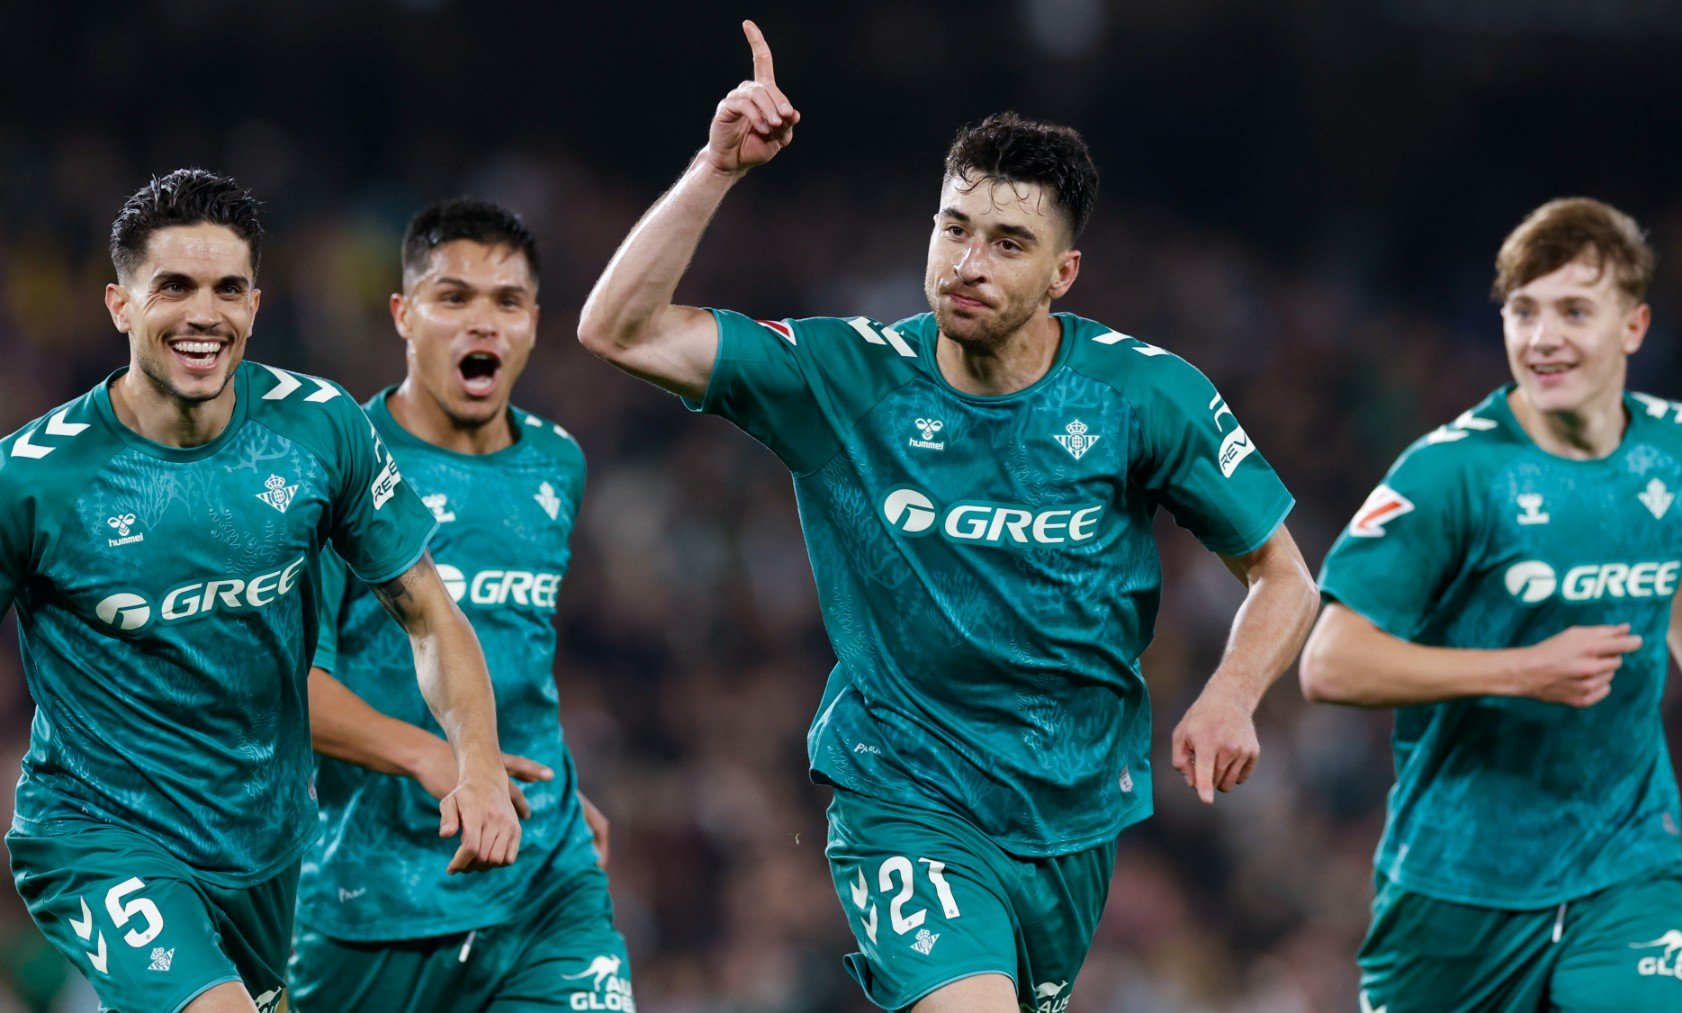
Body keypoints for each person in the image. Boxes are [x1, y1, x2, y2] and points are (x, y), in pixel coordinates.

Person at [576, 22, 1318, 1012]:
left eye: (1007, 243)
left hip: (1071, 819)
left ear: (1063, 275)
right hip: (905, 797)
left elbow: (1285, 575)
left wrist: (1231, 690)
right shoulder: (849, 375)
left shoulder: (1145, 397)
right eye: (953, 227)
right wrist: (716, 169)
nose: (968, 261)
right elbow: (614, 327)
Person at [0, 169, 521, 1013]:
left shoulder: (318, 429)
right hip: (101, 835)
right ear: (119, 304)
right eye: (174, 286)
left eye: (227, 288)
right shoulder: (32, 479)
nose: (204, 313)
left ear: (254, 304)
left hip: (266, 844)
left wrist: (480, 763)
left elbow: (429, 614)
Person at [1300, 197, 1682, 1012]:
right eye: (1523, 311)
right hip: (1459, 882)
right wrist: (1523, 668)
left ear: (1635, 325)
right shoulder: (1449, 474)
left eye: (1573, 311)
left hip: (1626, 861)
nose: (1542, 336)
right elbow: (1330, 662)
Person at [288, 199, 633, 1012]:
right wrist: (436, 755)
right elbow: (288, 686)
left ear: (534, 323)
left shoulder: (558, 463)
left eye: (506, 302)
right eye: (454, 298)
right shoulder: (336, 468)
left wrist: (549, 784)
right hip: (371, 896)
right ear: (405, 315)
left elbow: (518, 649)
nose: (483, 323)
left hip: (542, 874)